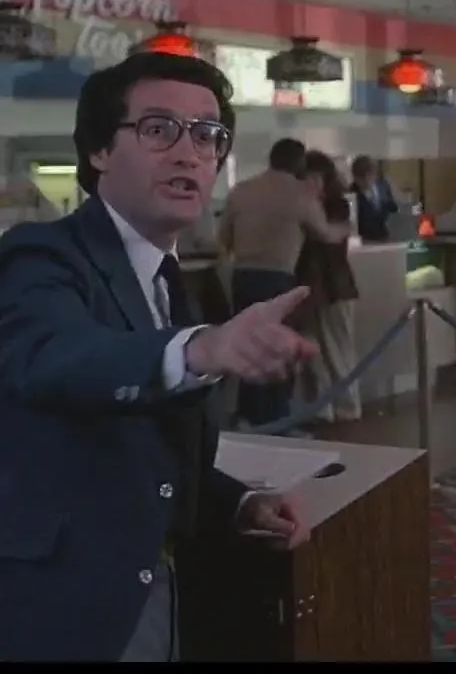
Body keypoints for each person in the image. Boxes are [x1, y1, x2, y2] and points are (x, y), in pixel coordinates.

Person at [0, 52, 313, 662]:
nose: (188, 152)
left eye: (207, 135)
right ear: (99, 151)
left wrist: (238, 502)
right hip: (64, 602)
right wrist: (202, 348)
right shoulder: (42, 256)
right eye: (159, 129)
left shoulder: (169, 279)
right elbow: (59, 357)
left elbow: (144, 451)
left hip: (156, 586)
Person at [218, 138, 350, 430]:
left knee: (248, 348)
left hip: (243, 278)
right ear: (299, 164)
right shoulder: (300, 195)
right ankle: (278, 422)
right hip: (278, 280)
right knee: (279, 353)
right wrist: (344, 228)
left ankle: (249, 418)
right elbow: (325, 234)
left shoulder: (242, 190)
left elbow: (223, 239)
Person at [295, 150, 362, 424]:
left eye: (313, 177)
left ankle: (348, 408)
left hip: (334, 286)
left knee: (338, 351)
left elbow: (329, 236)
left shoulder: (337, 206)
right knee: (314, 355)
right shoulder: (303, 206)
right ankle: (322, 409)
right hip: (308, 287)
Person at [351, 154, 399, 242]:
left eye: (369, 176)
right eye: (362, 178)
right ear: (355, 178)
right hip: (365, 241)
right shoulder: (351, 193)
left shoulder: (383, 186)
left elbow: (393, 208)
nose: (366, 181)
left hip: (386, 237)